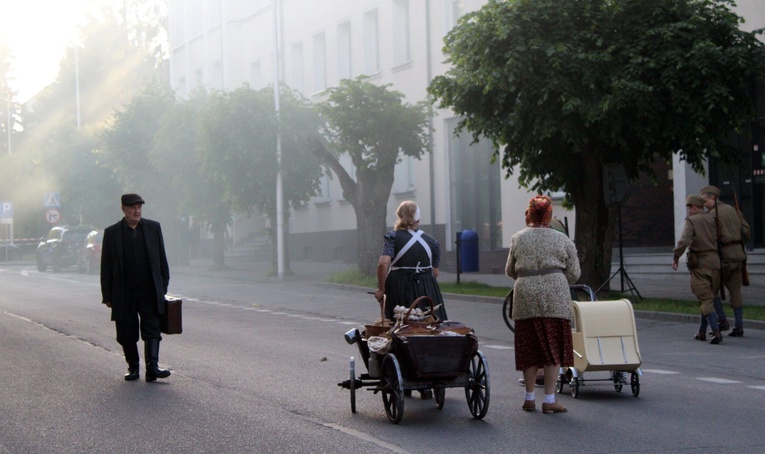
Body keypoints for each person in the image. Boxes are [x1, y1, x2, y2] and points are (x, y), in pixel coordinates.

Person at [506, 195, 580, 414]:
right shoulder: (563, 240)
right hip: (554, 296)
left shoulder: (518, 238)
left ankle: (529, 397)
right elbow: (574, 274)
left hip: (525, 295)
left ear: (528, 214)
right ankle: (549, 399)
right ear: (549, 215)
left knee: (529, 346)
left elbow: (510, 270)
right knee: (553, 348)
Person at [101, 194, 171, 382]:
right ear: (123, 209)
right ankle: (133, 367)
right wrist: (107, 295)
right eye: (132, 207)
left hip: (149, 289)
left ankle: (152, 368)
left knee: (152, 329)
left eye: (139, 207)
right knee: (126, 332)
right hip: (124, 291)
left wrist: (162, 286)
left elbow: (162, 259)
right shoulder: (112, 233)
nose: (137, 210)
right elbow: (106, 267)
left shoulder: (153, 228)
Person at [374, 201, 447, 323]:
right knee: (431, 322)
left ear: (399, 216)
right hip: (426, 285)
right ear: (418, 218)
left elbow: (383, 263)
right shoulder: (433, 242)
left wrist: (381, 289)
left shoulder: (392, 237)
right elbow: (435, 272)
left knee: (399, 322)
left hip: (399, 285)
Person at [700, 185, 751, 337]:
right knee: (735, 292)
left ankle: (722, 321)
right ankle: (739, 326)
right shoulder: (733, 210)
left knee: (711, 290)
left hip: (723, 259)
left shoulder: (711, 215)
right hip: (739, 257)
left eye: (705, 201)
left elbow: (711, 239)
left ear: (713, 198)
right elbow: (746, 231)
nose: (704, 205)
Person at [672, 194, 723, 344]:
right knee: (708, 296)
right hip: (716, 262)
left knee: (705, 298)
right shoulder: (713, 219)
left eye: (689, 208)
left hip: (701, 263)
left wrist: (676, 256)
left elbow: (685, 240)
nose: (688, 211)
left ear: (694, 207)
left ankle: (716, 332)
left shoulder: (692, 221)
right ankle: (702, 331)